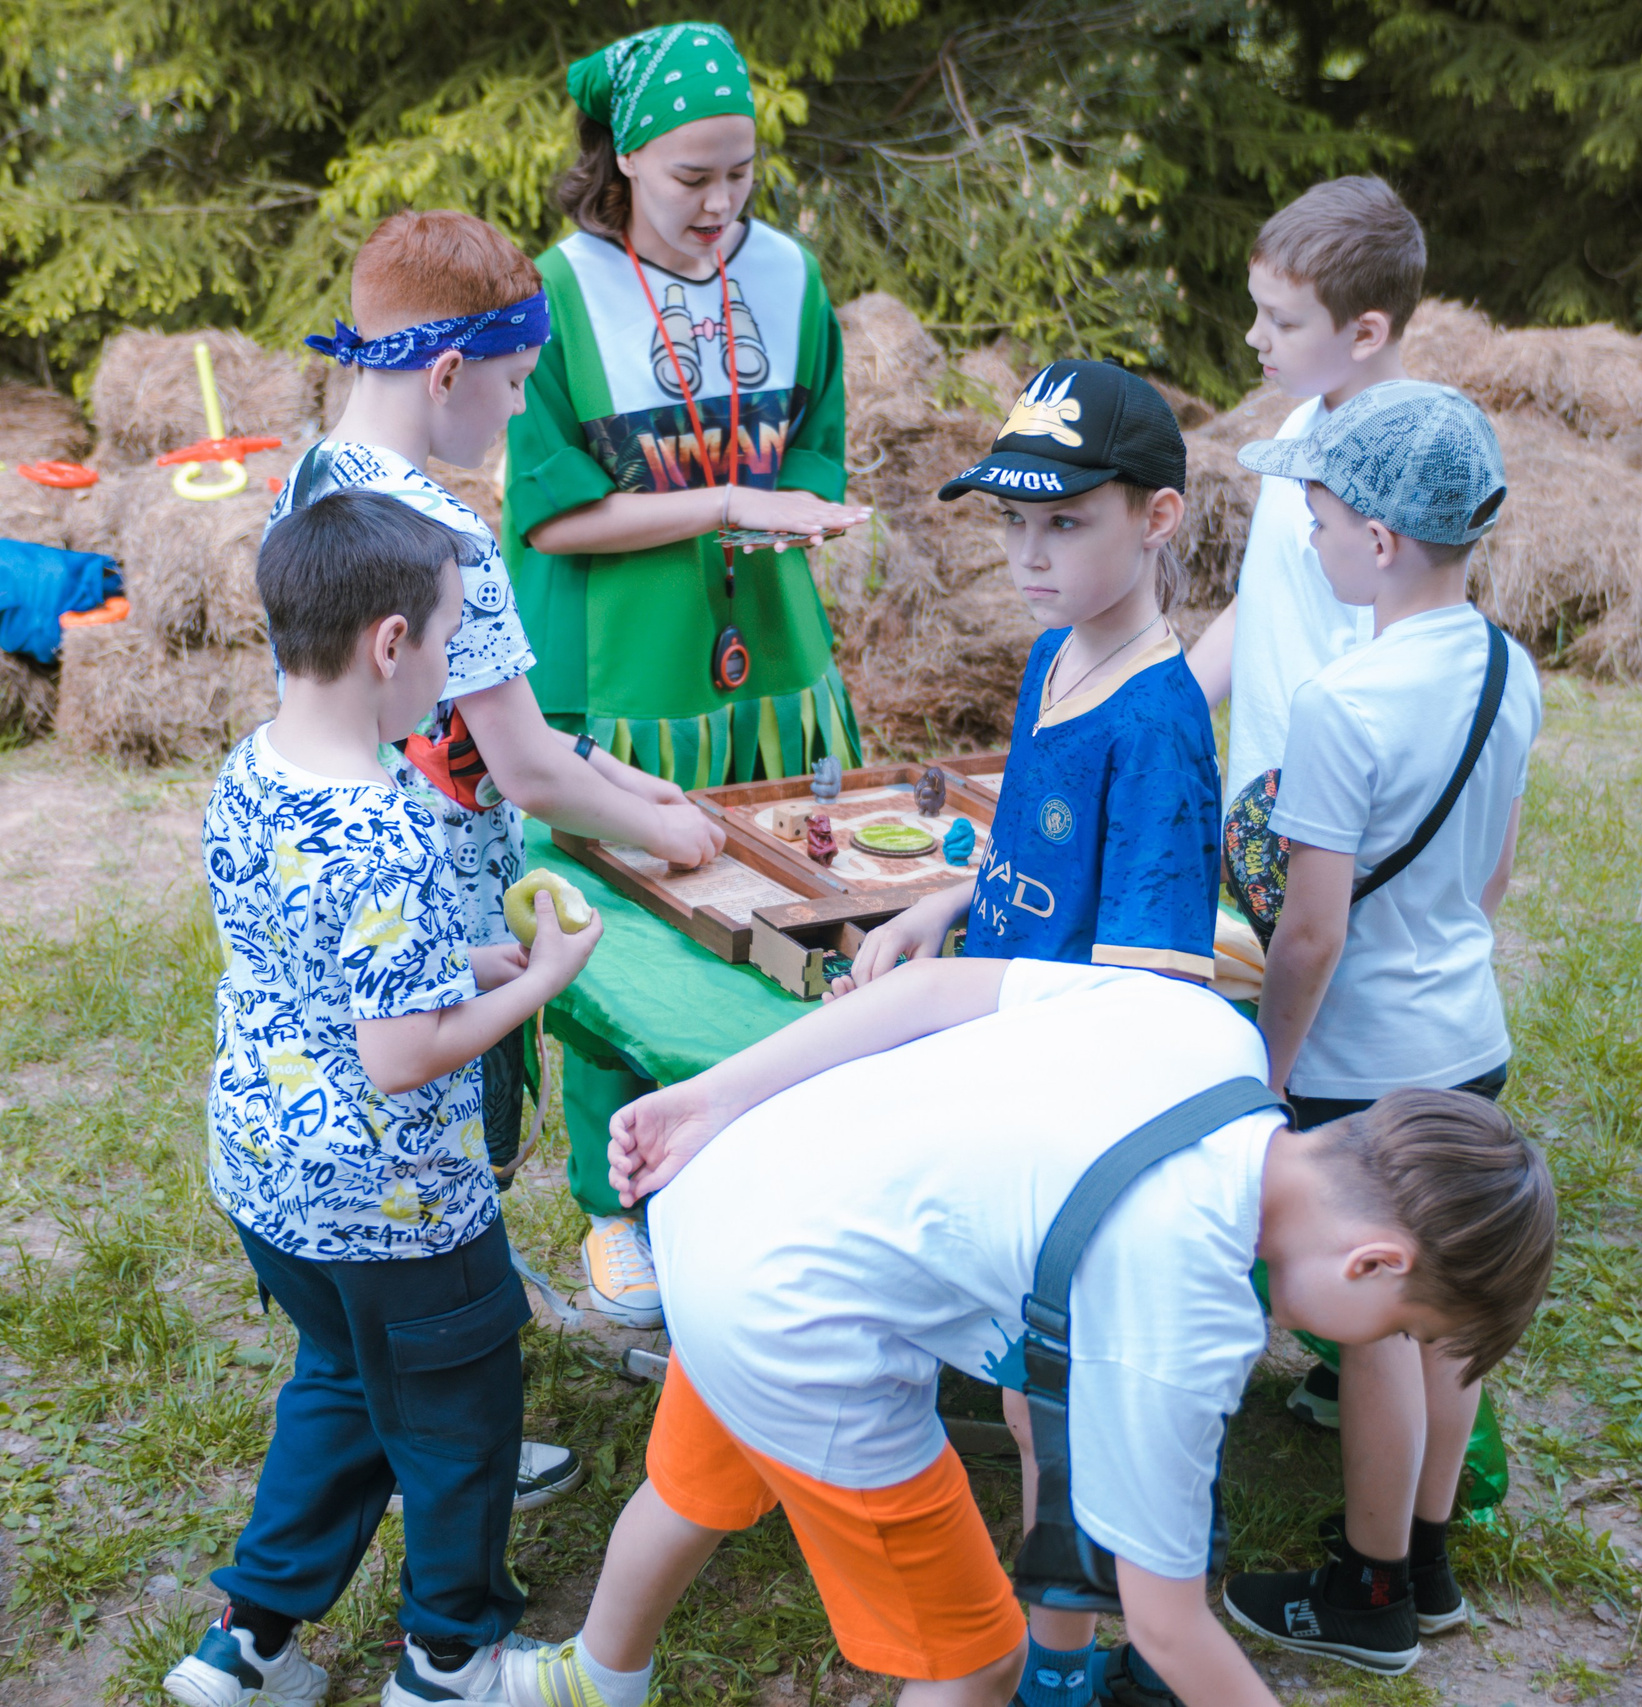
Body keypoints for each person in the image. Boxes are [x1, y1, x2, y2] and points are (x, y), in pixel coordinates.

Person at [491, 958, 1556, 1707]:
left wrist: (715, 1098)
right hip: (790, 1310)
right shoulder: (1182, 1303)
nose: (1377, 1342)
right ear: (1376, 1264)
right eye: (1399, 1328)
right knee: (972, 1660)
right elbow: (1168, 1623)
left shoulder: (1210, 1034)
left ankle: (593, 1676)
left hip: (746, 1187)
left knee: (700, 1478)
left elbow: (933, 989)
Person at [168, 491, 606, 1707]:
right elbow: (403, 1056)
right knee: (458, 1427)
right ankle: (449, 1662)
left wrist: (474, 965)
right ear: (390, 646)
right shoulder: (389, 829)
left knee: (344, 1384)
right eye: (453, 635)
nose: (458, 667)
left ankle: (245, 1643)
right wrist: (547, 981)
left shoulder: (254, 767)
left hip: (269, 1172)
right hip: (398, 1204)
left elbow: (320, 959)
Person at [280, 205, 725, 1354]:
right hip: (426, 894)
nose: (523, 406)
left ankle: (405, 1343)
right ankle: (445, 1372)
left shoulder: (319, 476)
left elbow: (486, 728)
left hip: (339, 869)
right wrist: (665, 838)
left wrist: (627, 776)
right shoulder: (446, 538)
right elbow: (523, 766)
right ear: (444, 372)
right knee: (438, 1130)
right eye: (517, 379)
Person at [504, 20, 872, 1329]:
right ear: (620, 164)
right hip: (624, 681)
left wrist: (790, 507)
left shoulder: (791, 277)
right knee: (628, 938)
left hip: (770, 670)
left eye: (741, 173)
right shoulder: (556, 295)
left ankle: (762, 1163)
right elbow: (548, 517)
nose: (720, 206)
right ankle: (622, 1212)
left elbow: (814, 460)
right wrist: (726, 499)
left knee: (799, 916)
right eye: (689, 179)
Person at [1214, 381, 1544, 1672]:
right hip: (1469, 1030)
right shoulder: (1507, 664)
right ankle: (1432, 1553)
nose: (1307, 534)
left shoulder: (1341, 704)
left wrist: (1271, 1069)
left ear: (1385, 542)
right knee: (1445, 1312)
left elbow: (1309, 932)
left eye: (1324, 513)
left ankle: (1366, 1587)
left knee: (1378, 1336)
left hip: (1363, 1061)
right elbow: (1495, 868)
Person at [837, 358, 1220, 990]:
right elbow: (1039, 867)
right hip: (986, 1025)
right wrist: (946, 906)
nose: (1027, 556)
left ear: (1157, 519)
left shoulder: (1157, 730)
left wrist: (924, 1005)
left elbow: (1148, 1001)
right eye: (1013, 517)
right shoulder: (1051, 653)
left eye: (1063, 522)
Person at [1184, 176, 1429, 796]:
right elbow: (1264, 599)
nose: (1253, 335)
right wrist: (1172, 708)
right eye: (1256, 309)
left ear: (1366, 333)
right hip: (1264, 808)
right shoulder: (1302, 425)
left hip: (1330, 820)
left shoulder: (1401, 470)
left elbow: (1401, 676)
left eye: (1283, 321)